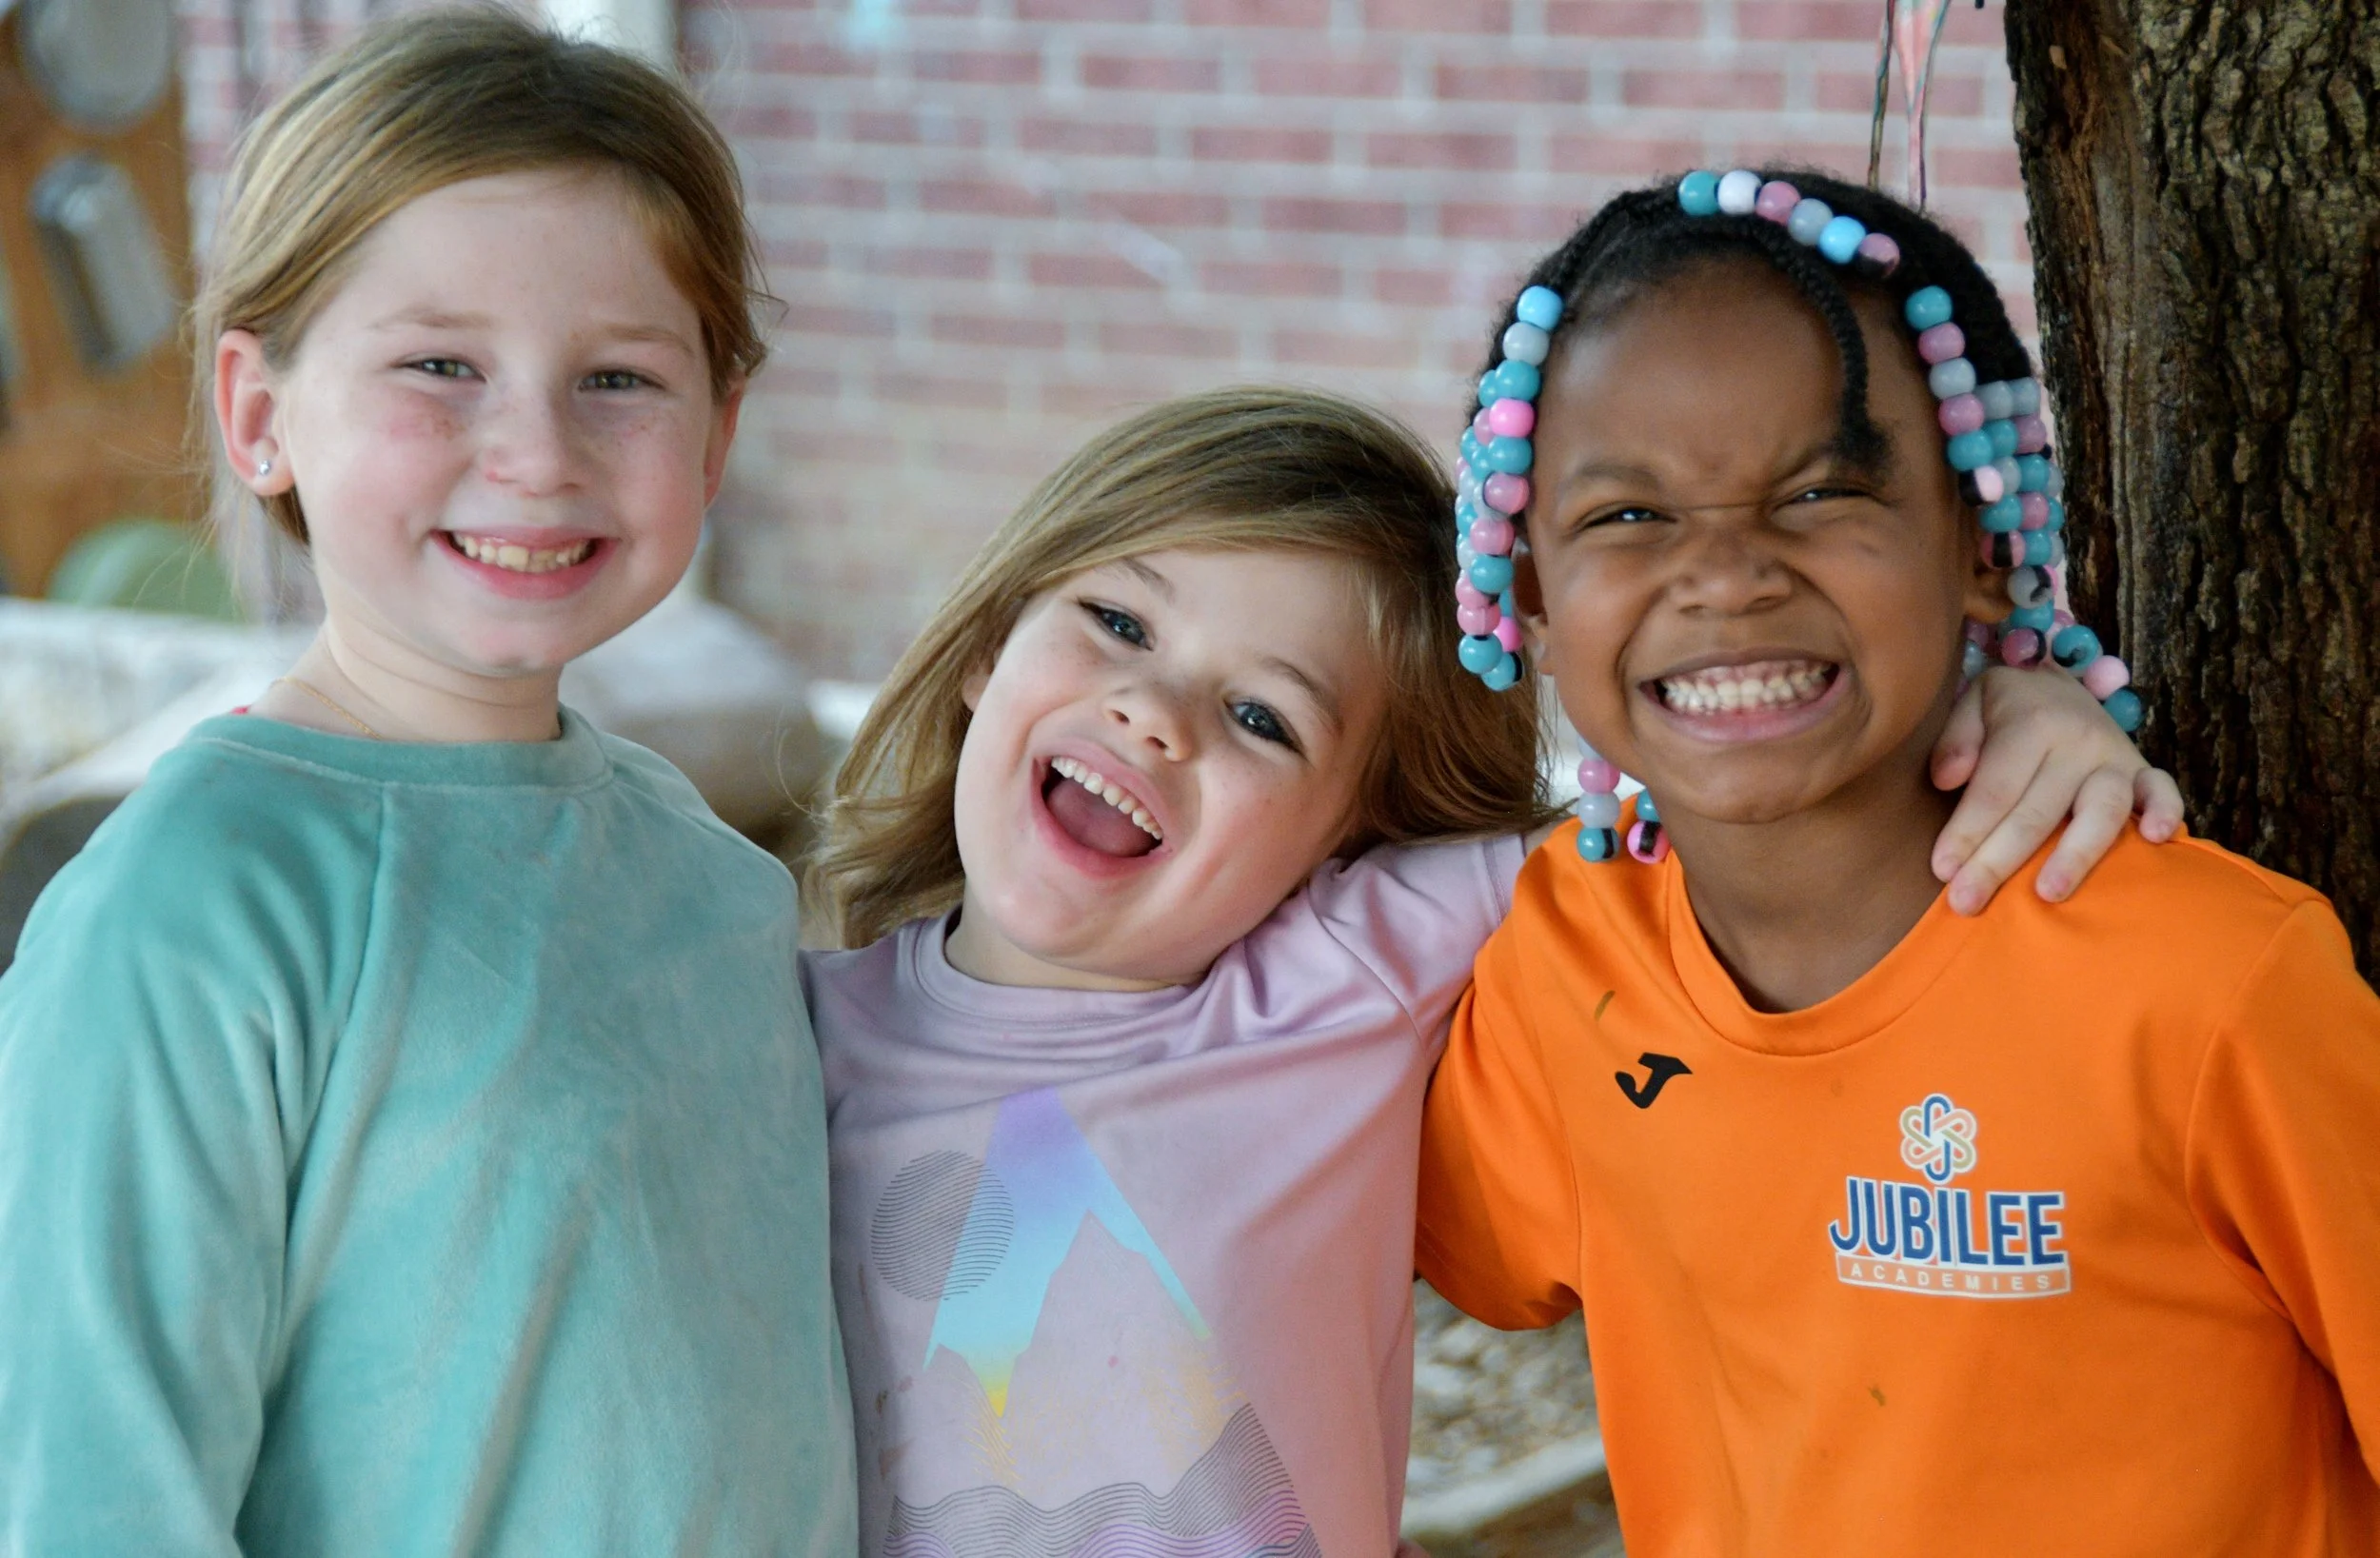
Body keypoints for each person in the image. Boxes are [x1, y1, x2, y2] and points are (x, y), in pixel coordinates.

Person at [801, 383, 2175, 1557]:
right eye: (1118, 623)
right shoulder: (777, 1038)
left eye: (1263, 716)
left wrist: (2000, 703)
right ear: (989, 645)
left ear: (1349, 833)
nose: (1153, 716)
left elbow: (1722, 814)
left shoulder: (1347, 966)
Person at [1417, 168, 2380, 1555]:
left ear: (1983, 548)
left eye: (1817, 492)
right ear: (1532, 601)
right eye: (1628, 518)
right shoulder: (1565, 959)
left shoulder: (2213, 982)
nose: (1728, 574)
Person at [0, 13, 854, 1555]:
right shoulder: (191, 909)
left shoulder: (717, 881)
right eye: (440, 365)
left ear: (719, 436)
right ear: (259, 415)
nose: (535, 451)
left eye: (618, 378)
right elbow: (89, 1498)